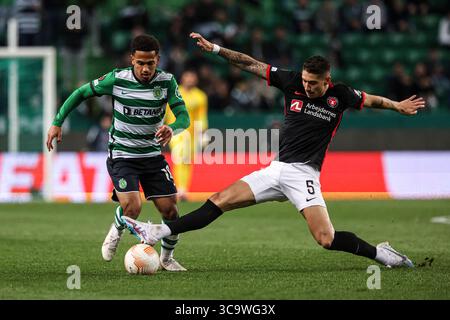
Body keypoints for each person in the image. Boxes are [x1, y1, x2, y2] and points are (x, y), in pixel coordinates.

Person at [122, 32, 426, 268]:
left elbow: (372, 99)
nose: (308, 87)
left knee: (327, 239)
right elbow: (249, 63)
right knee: (218, 200)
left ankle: (382, 255)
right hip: (276, 169)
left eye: (314, 84)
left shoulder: (341, 95)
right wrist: (215, 49)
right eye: (306, 81)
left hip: (304, 174)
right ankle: (158, 232)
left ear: (327, 81)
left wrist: (397, 105)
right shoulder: (291, 81)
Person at [46, 34, 190, 271]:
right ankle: (117, 229)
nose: (145, 69)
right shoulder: (116, 79)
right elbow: (81, 92)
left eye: (150, 63)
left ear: (158, 60)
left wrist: (172, 128)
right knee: (133, 207)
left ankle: (166, 258)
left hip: (152, 155)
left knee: (171, 210)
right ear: (132, 59)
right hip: (122, 154)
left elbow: (184, 117)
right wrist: (57, 121)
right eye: (140, 63)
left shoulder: (167, 82)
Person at [165, 69, 208, 201]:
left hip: (192, 134)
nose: (189, 79)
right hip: (176, 131)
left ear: (196, 79)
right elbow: (166, 111)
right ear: (183, 78)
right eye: (187, 76)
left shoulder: (200, 96)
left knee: (187, 161)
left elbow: (201, 116)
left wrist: (203, 134)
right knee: (181, 157)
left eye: (192, 76)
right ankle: (180, 189)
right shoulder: (174, 92)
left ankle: (183, 189)